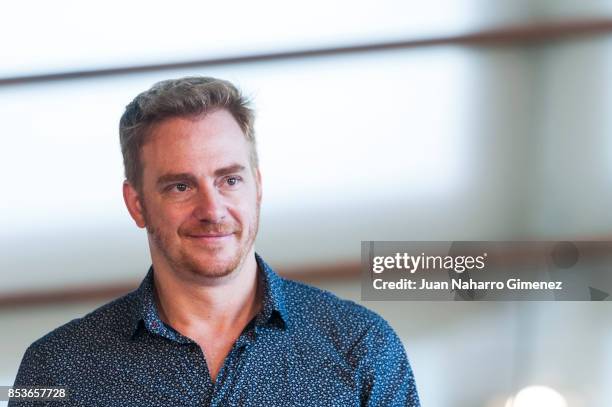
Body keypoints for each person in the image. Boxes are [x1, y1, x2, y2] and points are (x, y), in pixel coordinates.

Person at [10, 77, 420, 406]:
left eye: (230, 179)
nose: (212, 209)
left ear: (257, 187)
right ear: (136, 204)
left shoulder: (362, 347)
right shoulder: (55, 370)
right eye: (181, 186)